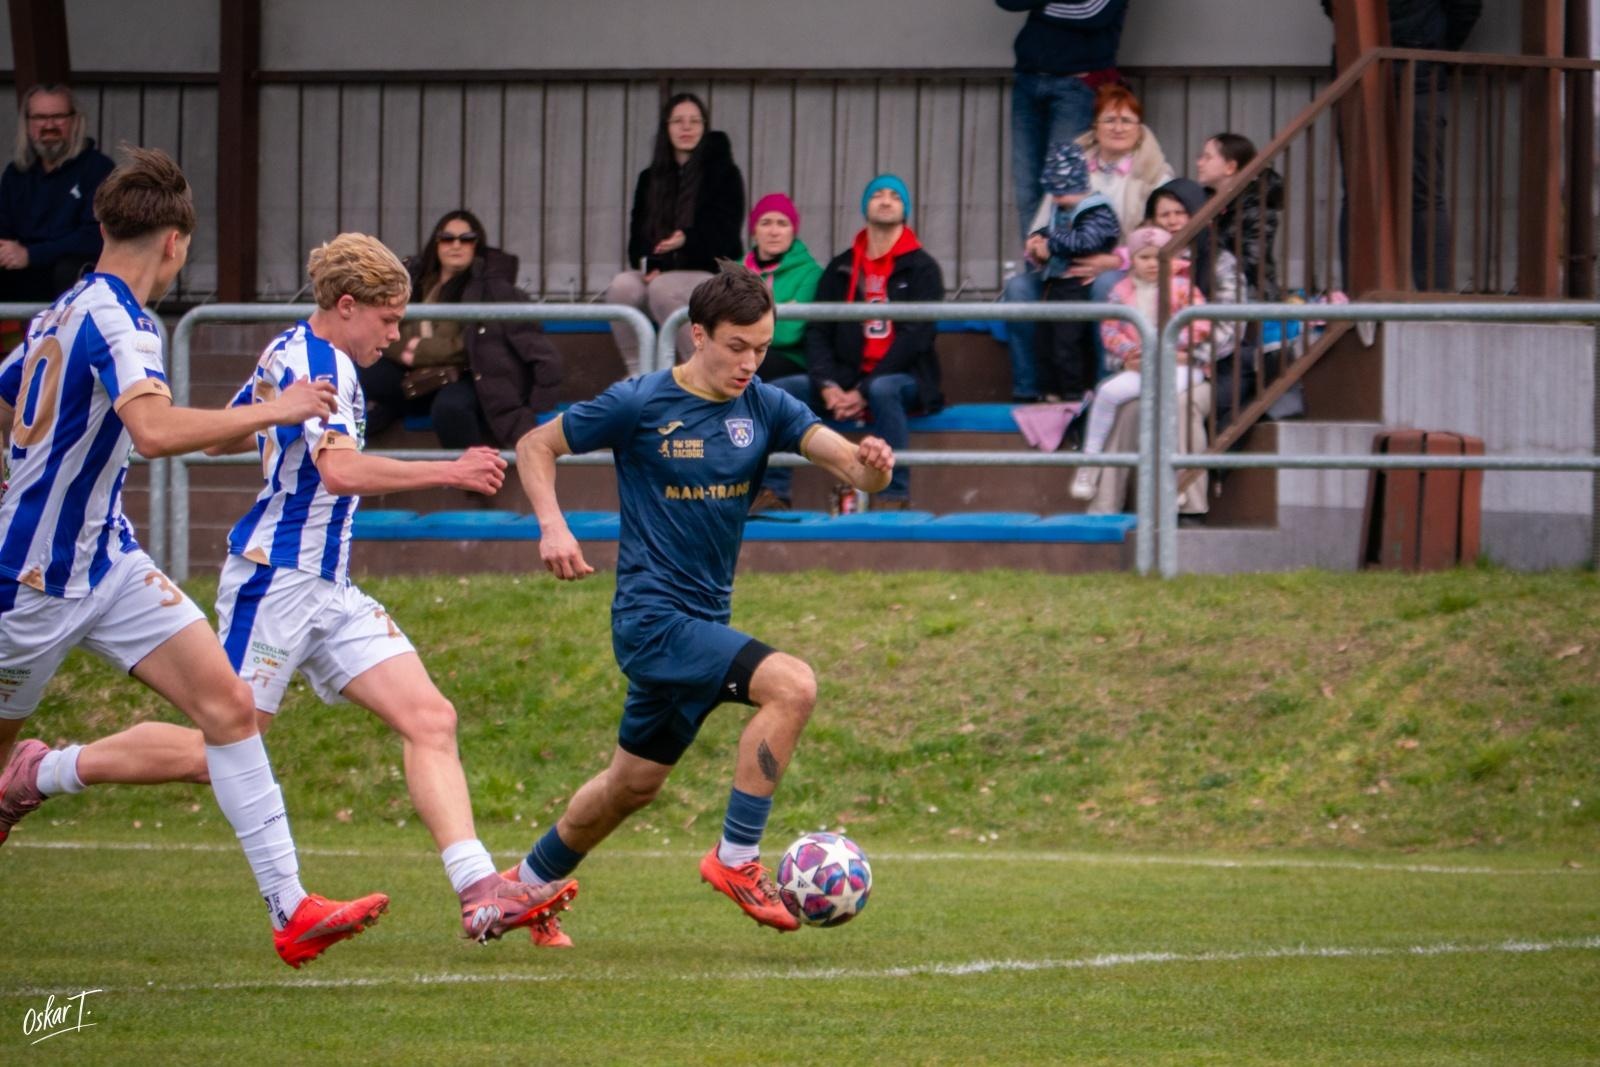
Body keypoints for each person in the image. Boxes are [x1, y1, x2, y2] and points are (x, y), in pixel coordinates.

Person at [10, 232, 581, 947]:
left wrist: (270, 420)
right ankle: (44, 770)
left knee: (430, 717)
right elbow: (340, 472)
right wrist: (448, 471)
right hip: (274, 581)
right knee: (219, 746)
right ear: (347, 305)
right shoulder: (321, 362)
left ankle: (478, 890)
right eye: (387, 319)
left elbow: (221, 439)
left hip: (329, 586)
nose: (393, 335)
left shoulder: (293, 349)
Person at [0, 147, 388, 969]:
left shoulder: (59, 310)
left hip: (107, 561)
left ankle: (292, 909)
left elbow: (9, 393)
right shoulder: (122, 320)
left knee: (230, 707)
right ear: (176, 243)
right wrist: (274, 411)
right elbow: (153, 431)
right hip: (30, 582)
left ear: (103, 223)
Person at [510, 267, 895, 938]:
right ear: (698, 335)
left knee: (630, 786)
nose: (750, 362)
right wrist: (553, 526)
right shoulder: (640, 402)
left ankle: (521, 889)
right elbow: (535, 445)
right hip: (653, 620)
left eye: (762, 348)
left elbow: (853, 467)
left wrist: (875, 465)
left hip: (703, 622)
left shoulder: (767, 406)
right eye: (736, 346)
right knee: (793, 686)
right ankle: (736, 858)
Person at [755, 175, 942, 510]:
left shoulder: (922, 267)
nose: (886, 200)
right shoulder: (841, 266)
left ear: (905, 209)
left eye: (895, 196)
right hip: (845, 376)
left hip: (905, 377)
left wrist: (864, 390)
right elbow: (818, 331)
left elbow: (917, 337)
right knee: (783, 391)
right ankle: (773, 492)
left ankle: (894, 496)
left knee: (883, 389)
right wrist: (827, 385)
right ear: (865, 206)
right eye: (878, 194)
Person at [1002, 84, 1173, 392]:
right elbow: (1042, 222)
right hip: (1062, 267)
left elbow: (1162, 237)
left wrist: (1115, 261)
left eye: (1126, 120)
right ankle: (1028, 390)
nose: (1118, 128)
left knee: (1107, 286)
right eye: (1109, 120)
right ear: (1095, 126)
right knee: (1018, 289)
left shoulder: (1155, 173)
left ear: (1139, 128)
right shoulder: (1070, 166)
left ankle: (1104, 385)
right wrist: (1037, 247)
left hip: (1125, 270)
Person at [359, 209, 562, 450]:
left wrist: (540, 406)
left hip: (470, 377)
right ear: (436, 243)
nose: (456, 245)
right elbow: (384, 330)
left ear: (477, 244)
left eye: (466, 239)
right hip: (415, 379)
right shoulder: (415, 281)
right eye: (447, 238)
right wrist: (409, 350)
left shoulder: (495, 289)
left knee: (450, 408)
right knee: (359, 372)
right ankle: (335, 451)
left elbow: (474, 347)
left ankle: (476, 472)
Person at [606, 93, 745, 376]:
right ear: (666, 128)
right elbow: (637, 240)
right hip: (660, 275)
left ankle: (703, 372)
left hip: (710, 273)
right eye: (678, 121)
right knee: (622, 286)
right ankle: (639, 373)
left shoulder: (724, 174)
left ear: (704, 127)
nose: (686, 127)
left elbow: (727, 239)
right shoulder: (649, 178)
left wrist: (687, 239)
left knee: (663, 288)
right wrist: (651, 265)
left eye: (695, 121)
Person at [1073, 226, 1209, 501]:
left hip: (1180, 364)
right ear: (1132, 259)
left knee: (1166, 396)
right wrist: (1132, 352)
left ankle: (1172, 479)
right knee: (1107, 392)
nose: (1151, 263)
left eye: (1159, 256)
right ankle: (1089, 463)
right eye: (1144, 257)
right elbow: (1110, 329)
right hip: (1142, 364)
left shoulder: (1183, 288)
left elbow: (1200, 323)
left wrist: (1168, 344)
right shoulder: (1120, 290)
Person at [996, 0, 1130, 241]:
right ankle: (1034, 261)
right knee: (1027, 189)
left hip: (1077, 85)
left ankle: (1061, 261)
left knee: (1064, 185)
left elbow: (1091, 13)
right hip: (1028, 79)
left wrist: (1037, 8)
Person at [0, 85, 115, 303]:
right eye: (40, 117)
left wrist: (31, 255)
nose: (49, 126)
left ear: (75, 121)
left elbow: (94, 236)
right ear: (27, 123)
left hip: (70, 274)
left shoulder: (98, 169)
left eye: (58, 117)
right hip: (22, 271)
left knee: (69, 269)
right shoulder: (16, 173)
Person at [1031, 143, 1120, 404]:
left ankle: (1074, 394)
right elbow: (1054, 231)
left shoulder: (1097, 210)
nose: (1055, 198)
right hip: (1055, 283)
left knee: (1067, 342)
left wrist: (1050, 244)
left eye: (1060, 192)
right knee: (1045, 340)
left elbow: (1086, 241)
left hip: (1077, 284)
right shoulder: (1063, 208)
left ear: (1077, 185)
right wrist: (1038, 239)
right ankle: (1050, 390)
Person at [743, 193, 822, 384]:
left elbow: (789, 333)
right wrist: (775, 315)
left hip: (789, 360)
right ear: (754, 231)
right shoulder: (736, 270)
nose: (774, 232)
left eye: (782, 224)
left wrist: (743, 322)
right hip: (742, 352)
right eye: (765, 223)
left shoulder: (811, 273)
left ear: (793, 231)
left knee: (744, 364)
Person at [1194, 133, 1283, 301]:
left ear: (1230, 167)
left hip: (1249, 299)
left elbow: (1252, 263)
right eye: (1201, 157)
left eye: (1208, 157)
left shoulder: (1257, 210)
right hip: (1210, 291)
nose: (1199, 163)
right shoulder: (1203, 202)